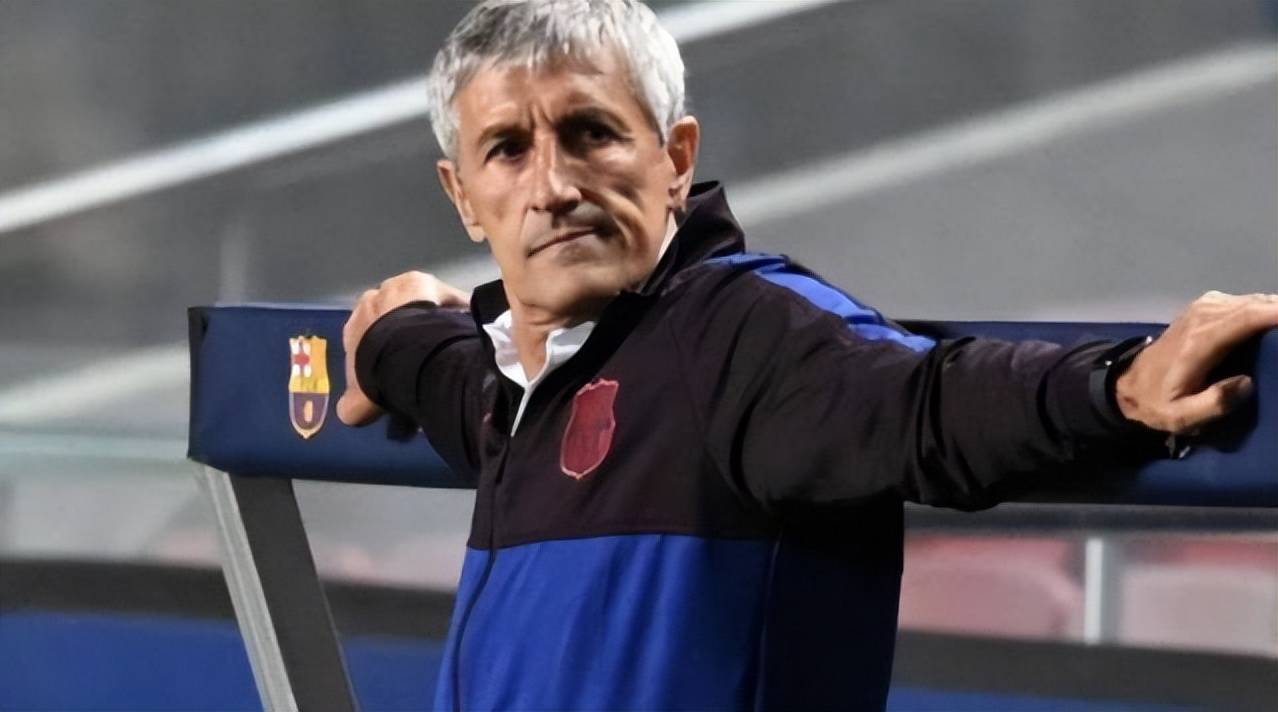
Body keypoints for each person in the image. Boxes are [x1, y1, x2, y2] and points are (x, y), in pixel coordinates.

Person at [335, 1, 1276, 709]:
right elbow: (435, 368)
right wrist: (389, 334)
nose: (554, 186)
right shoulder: (510, 383)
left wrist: (1118, 387)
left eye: (591, 133)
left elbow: (926, 403)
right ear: (464, 197)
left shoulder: (740, 335)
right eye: (508, 149)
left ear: (674, 159)